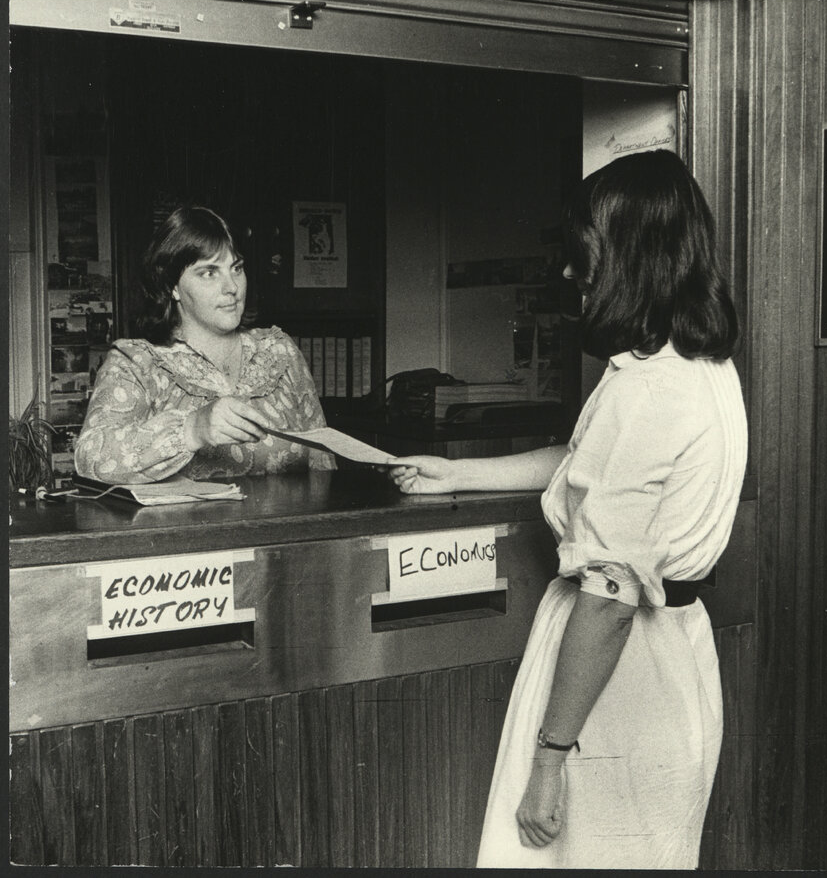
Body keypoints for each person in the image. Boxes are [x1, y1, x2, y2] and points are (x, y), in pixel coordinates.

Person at [389, 150, 747, 869]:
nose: (567, 274)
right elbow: (586, 464)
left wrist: (551, 758)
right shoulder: (692, 368)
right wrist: (456, 471)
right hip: (669, 655)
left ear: (628, 258)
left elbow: (611, 599)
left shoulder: (652, 393)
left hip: (617, 680)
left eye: (582, 255)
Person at [74, 205, 335, 484]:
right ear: (172, 286)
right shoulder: (138, 363)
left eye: (236, 268)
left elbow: (323, 462)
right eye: (209, 273)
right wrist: (192, 429)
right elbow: (91, 457)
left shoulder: (279, 351)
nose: (231, 287)